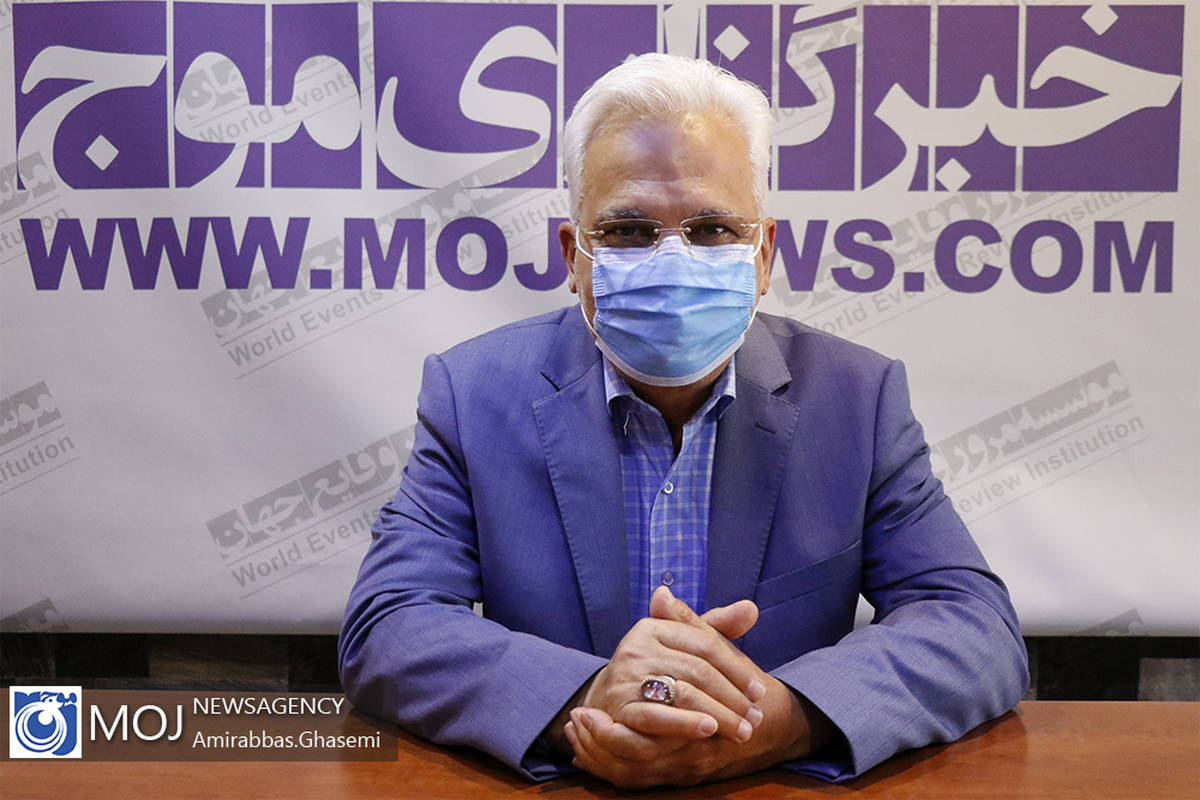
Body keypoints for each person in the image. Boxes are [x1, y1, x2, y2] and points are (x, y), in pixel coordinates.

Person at [338, 53, 1028, 788]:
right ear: (574, 256)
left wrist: (778, 719)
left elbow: (973, 626)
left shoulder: (857, 399)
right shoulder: (472, 393)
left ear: (763, 254)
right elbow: (389, 623)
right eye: (629, 230)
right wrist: (587, 702)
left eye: (711, 229)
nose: (674, 261)